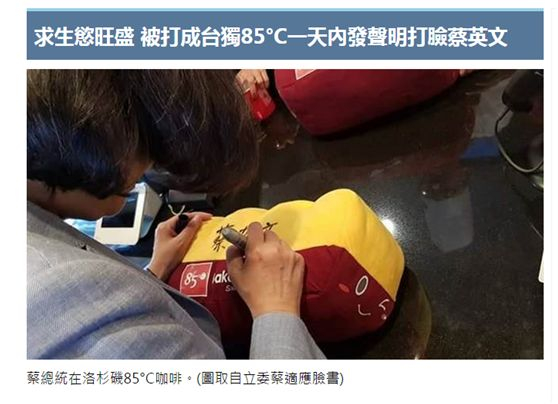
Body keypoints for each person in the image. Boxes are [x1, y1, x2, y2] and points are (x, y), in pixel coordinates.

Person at [27, 69, 325, 359]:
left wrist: (153, 273)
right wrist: (275, 309)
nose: (139, 181)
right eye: (127, 187)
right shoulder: (74, 310)